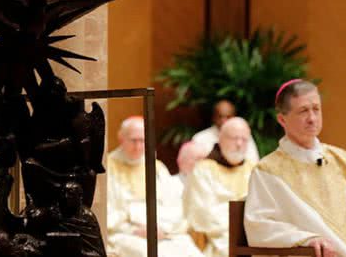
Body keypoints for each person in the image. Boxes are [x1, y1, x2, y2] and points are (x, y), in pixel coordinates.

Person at [245, 79, 346, 257]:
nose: (312, 118)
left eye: (316, 109)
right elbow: (261, 225)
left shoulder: (344, 161)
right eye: (303, 111)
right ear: (282, 119)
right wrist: (307, 239)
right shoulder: (268, 172)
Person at [107, 116, 203, 257]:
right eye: (134, 140)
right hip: (127, 234)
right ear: (121, 139)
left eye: (143, 141)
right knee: (148, 252)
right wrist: (133, 230)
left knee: (190, 251)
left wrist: (163, 228)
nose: (139, 146)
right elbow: (109, 213)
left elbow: (175, 205)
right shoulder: (109, 168)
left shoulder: (157, 168)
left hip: (162, 232)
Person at [184, 117, 255, 257]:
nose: (239, 144)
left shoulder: (253, 170)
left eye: (244, 139)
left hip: (253, 233)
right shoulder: (203, 170)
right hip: (218, 238)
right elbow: (202, 215)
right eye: (234, 138)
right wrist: (240, 226)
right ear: (220, 139)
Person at [192, 100, 259, 163]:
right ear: (213, 118)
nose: (223, 121)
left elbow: (253, 162)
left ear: (234, 117)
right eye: (220, 116)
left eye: (228, 117)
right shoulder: (200, 138)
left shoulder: (243, 137)